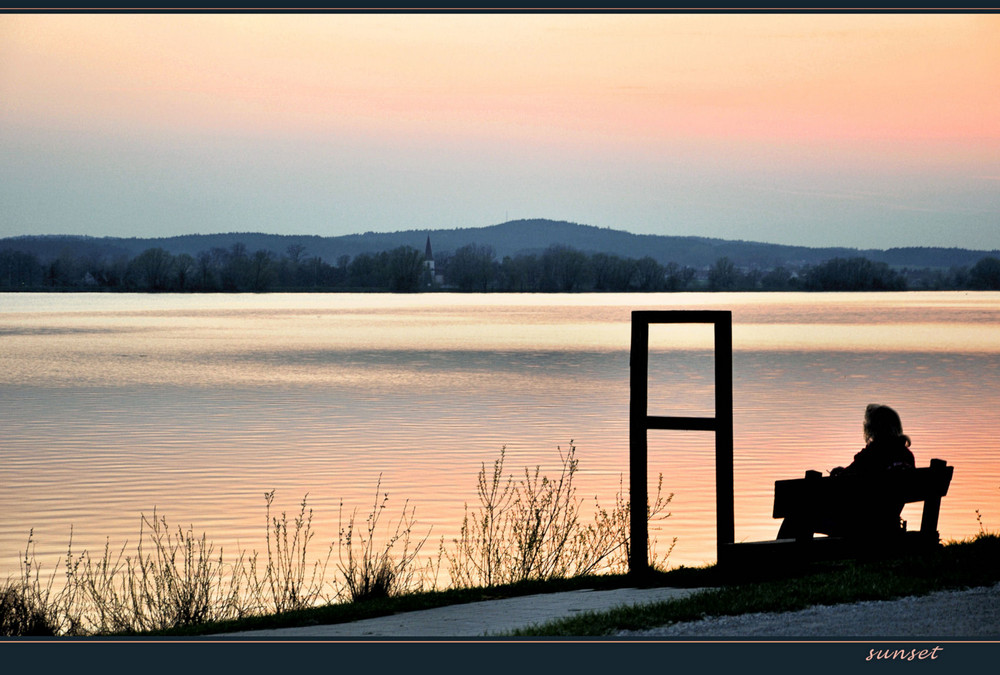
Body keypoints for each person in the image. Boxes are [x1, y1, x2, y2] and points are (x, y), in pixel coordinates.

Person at [777, 404, 915, 540]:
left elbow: (844, 482)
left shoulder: (871, 455)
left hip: (861, 526)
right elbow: (862, 476)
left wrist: (839, 474)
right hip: (888, 525)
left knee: (797, 516)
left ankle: (779, 558)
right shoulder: (907, 457)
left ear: (872, 429)